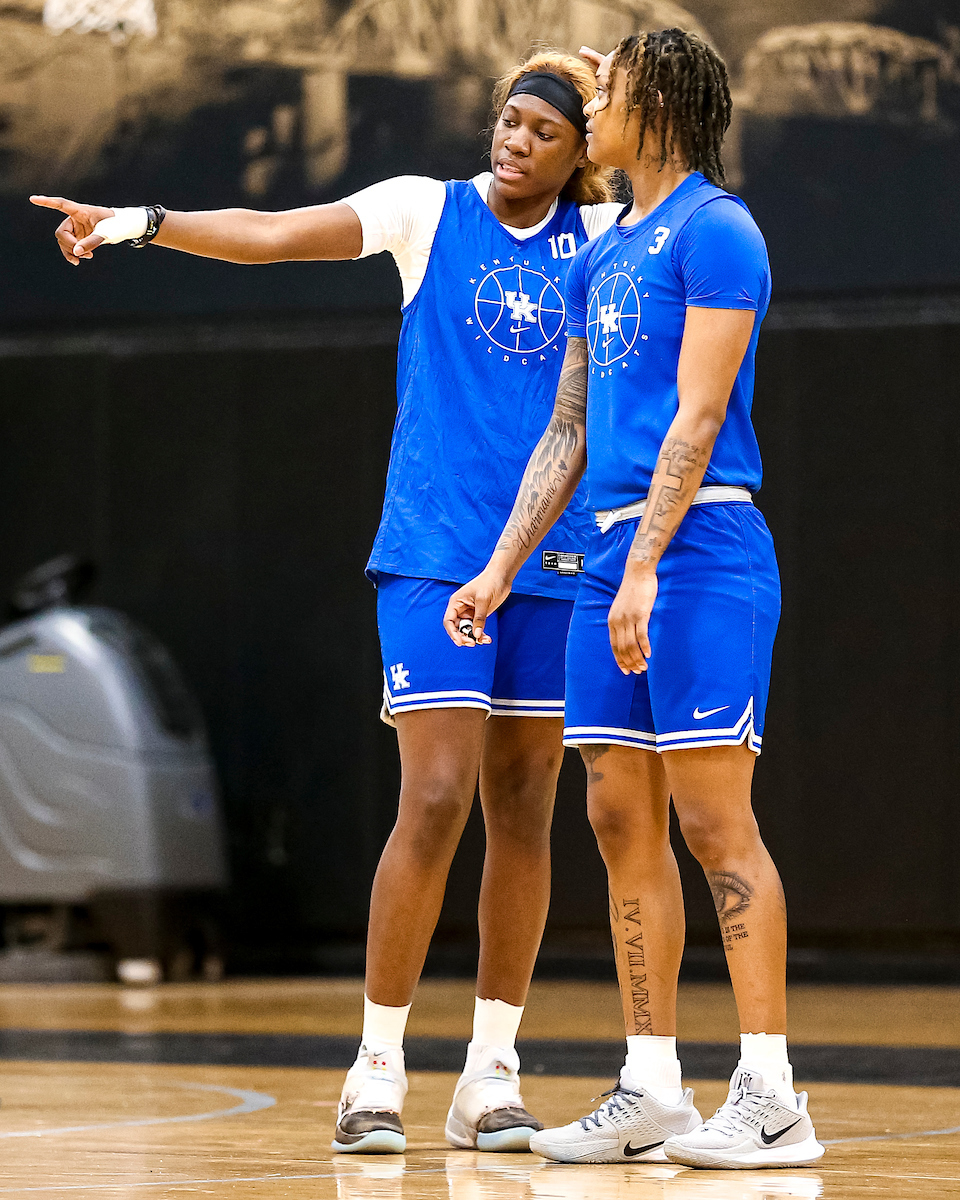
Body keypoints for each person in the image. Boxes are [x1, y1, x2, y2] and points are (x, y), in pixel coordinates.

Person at [31, 52, 623, 1155]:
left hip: (553, 560)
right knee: (436, 795)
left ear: (584, 151)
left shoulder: (606, 242)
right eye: (507, 118)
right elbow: (268, 231)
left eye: (545, 131)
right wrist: (141, 221)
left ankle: (491, 1073)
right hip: (437, 551)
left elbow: (692, 189)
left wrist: (621, 79)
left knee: (528, 810)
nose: (515, 140)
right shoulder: (422, 213)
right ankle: (377, 1069)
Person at [443, 29, 825, 1170]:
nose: (587, 106)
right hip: (604, 558)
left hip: (700, 542)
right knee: (617, 816)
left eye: (604, 90)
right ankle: (653, 1083)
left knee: (715, 821)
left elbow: (699, 419)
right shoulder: (601, 254)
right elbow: (568, 428)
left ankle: (772, 1094)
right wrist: (501, 569)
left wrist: (651, 561)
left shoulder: (720, 231)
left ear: (653, 104)